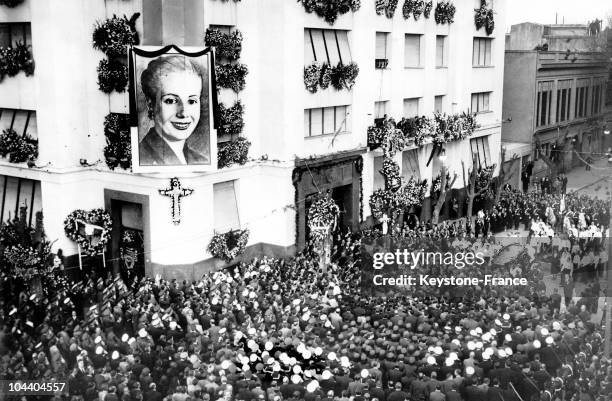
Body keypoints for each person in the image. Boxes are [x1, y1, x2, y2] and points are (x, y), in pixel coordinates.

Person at [139, 55, 209, 166]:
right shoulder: (143, 158)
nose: (184, 113)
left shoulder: (200, 160)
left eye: (191, 101)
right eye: (171, 101)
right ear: (150, 105)